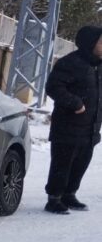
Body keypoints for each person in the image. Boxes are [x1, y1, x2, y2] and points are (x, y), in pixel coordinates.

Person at [44, 25, 102, 214]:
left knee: (81, 163)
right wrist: (75, 103)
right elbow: (54, 87)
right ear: (90, 43)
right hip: (68, 127)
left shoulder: (98, 66)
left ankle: (69, 194)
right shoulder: (70, 63)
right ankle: (54, 198)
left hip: (91, 128)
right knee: (62, 164)